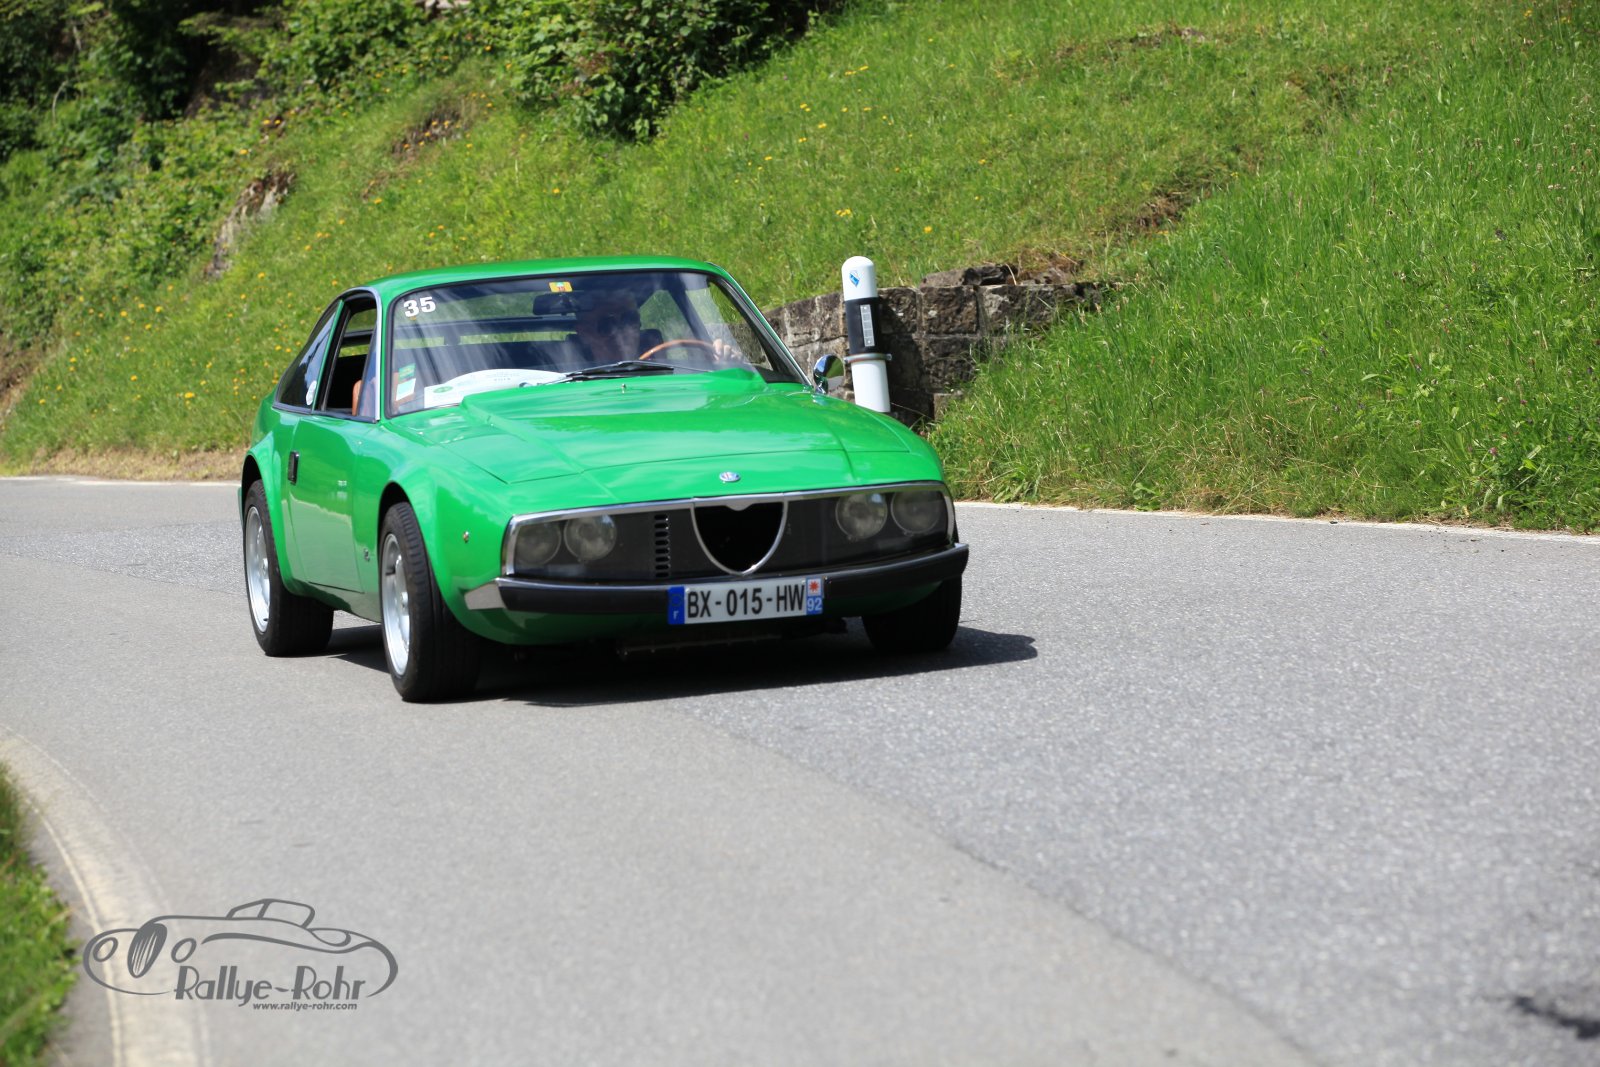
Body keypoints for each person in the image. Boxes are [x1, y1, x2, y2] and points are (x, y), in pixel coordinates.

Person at [571, 287, 739, 367]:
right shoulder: (566, 380)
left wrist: (727, 364)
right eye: (607, 324)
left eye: (630, 320)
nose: (622, 332)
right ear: (584, 332)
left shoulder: (672, 368)